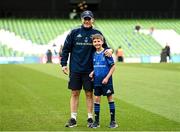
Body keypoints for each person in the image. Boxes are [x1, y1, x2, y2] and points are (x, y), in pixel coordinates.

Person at [60, 10, 113, 128]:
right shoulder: (74, 33)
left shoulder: (97, 33)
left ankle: (90, 118)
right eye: (85, 18)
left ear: (92, 20)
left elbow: (106, 48)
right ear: (82, 19)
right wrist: (63, 64)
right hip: (75, 69)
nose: (87, 21)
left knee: (89, 94)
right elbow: (66, 49)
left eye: (89, 19)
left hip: (90, 70)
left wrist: (110, 50)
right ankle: (73, 118)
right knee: (74, 93)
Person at [89, 34, 118, 128]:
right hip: (97, 81)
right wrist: (93, 73)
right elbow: (97, 65)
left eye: (98, 41)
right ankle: (96, 122)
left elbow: (113, 66)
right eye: (95, 41)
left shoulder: (106, 53)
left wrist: (107, 78)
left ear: (102, 42)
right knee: (96, 99)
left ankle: (113, 121)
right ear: (93, 43)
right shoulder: (94, 54)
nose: (97, 43)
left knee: (110, 99)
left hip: (107, 81)